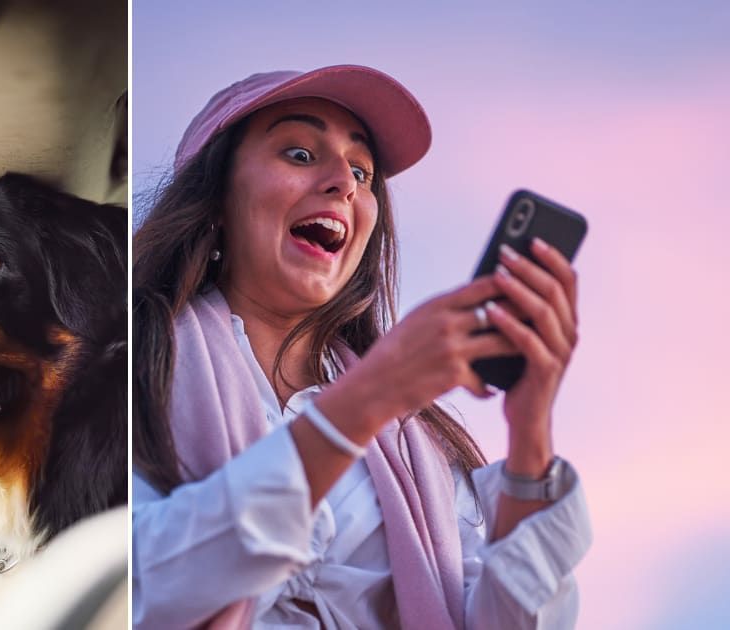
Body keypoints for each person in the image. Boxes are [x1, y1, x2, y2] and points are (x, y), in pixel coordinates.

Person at [132, 65, 592, 629]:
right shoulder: (127, 364)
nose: (344, 184)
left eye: (362, 171)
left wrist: (530, 435)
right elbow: (130, 582)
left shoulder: (417, 443)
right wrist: (365, 400)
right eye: (300, 154)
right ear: (216, 199)